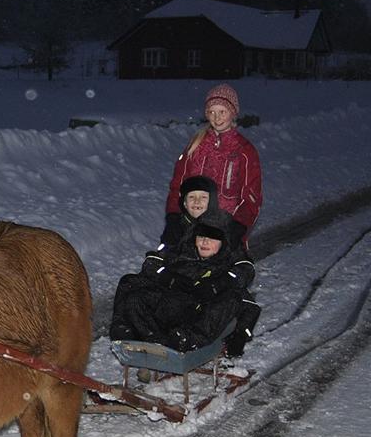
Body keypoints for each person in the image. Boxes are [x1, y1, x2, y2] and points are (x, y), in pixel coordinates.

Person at [110, 208, 260, 356]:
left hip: (196, 317)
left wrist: (241, 334)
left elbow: (247, 301)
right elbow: (152, 263)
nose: (205, 242)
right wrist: (169, 278)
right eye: (201, 236)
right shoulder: (181, 251)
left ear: (224, 242)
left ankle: (186, 340)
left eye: (212, 238)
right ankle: (130, 331)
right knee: (130, 282)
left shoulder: (228, 264)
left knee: (230, 299)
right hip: (170, 307)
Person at [162, 83, 261, 249]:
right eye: (212, 112)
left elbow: (251, 195)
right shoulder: (196, 146)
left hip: (226, 227)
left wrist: (238, 225)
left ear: (233, 113)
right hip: (193, 227)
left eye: (222, 112)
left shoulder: (244, 151)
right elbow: (179, 185)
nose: (217, 118)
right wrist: (174, 216)